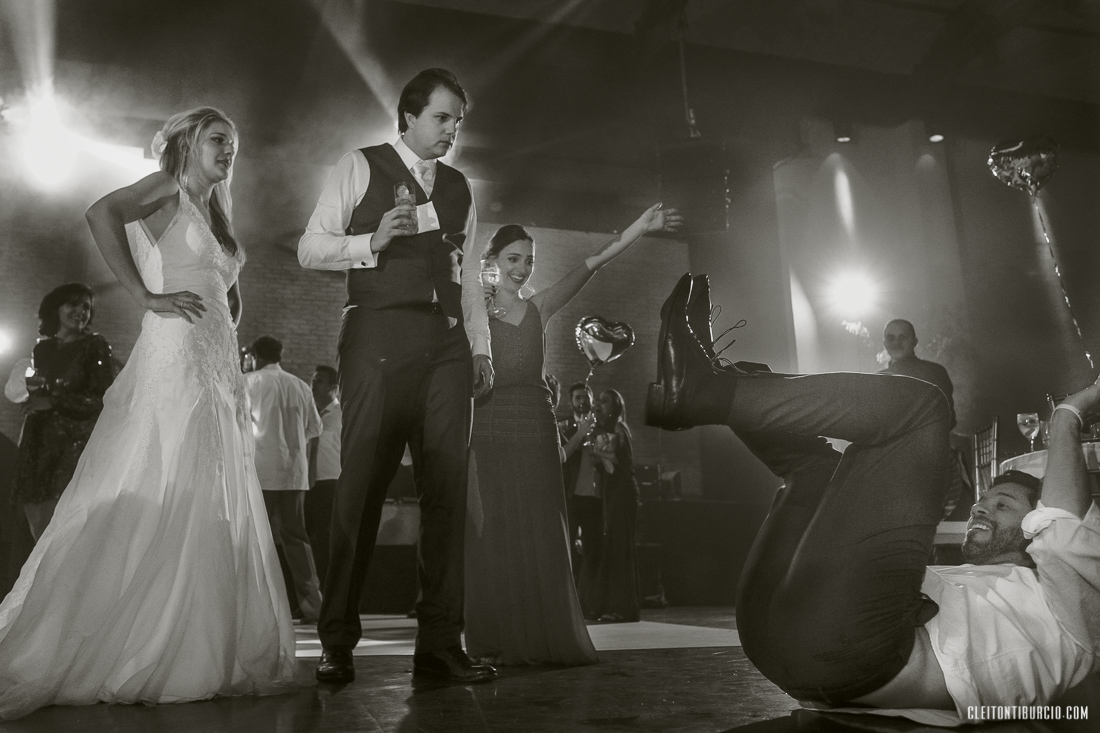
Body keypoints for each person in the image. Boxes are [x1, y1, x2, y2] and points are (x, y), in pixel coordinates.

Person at [645, 274, 1100, 726]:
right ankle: (721, 378)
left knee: (923, 410)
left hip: (850, 655)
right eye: (986, 499)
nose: (980, 507)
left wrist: (1067, 416)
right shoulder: (974, 581)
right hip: (778, 638)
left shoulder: (1074, 602)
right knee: (814, 472)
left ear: (1034, 530)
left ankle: (703, 391)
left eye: (1003, 506)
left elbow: (1062, 527)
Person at [0, 107, 305, 720]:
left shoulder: (216, 210)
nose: (229, 152)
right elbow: (100, 212)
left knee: (204, 489)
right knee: (163, 475)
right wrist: (145, 295)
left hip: (214, 363)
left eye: (235, 144)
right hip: (176, 356)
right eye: (219, 140)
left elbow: (222, 285)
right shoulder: (168, 187)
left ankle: (199, 642)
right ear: (189, 143)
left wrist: (227, 323)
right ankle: (136, 636)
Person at [298, 68, 495, 685]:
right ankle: (337, 642)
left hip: (447, 348)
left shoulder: (463, 186)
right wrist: (371, 238)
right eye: (442, 118)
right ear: (408, 116)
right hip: (378, 339)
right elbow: (309, 249)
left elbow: (465, 276)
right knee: (360, 492)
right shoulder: (358, 165)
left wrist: (481, 347)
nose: (452, 131)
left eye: (458, 121)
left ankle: (439, 642)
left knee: (446, 494)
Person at [464, 203, 680, 666]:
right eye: (513, 259)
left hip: (536, 431)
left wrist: (639, 228)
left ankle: (542, 635)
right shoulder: (472, 314)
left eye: (528, 260)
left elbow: (593, 263)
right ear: (492, 261)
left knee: (542, 532)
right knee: (492, 530)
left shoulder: (539, 308)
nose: (522, 269)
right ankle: (497, 636)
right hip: (488, 427)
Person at [11, 284, 116, 540]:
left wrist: (54, 402)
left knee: (58, 535)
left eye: (86, 307)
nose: (81, 312)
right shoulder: (42, 350)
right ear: (55, 308)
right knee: (36, 529)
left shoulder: (95, 346)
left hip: (70, 447)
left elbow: (104, 399)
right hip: (36, 444)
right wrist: (37, 398)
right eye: (74, 304)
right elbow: (41, 390)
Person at [245, 335, 324, 623]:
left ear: (255, 356)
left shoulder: (249, 382)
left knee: (255, 538)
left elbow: (239, 426)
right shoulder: (300, 385)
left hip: (262, 473)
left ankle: (256, 608)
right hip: (294, 473)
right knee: (297, 541)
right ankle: (314, 607)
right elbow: (315, 428)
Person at [586, 388, 641, 623]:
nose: (600, 404)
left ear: (615, 407)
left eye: (605, 401)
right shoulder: (602, 430)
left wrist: (600, 453)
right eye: (599, 400)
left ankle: (624, 608)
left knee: (621, 548)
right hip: (611, 492)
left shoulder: (620, 428)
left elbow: (625, 464)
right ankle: (610, 605)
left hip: (624, 492)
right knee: (613, 547)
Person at [558, 381, 599, 588]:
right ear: (571, 401)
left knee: (594, 549)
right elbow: (563, 456)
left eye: (585, 396)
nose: (582, 401)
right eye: (578, 397)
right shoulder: (562, 426)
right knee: (568, 548)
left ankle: (590, 598)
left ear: (592, 398)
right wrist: (580, 433)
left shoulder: (602, 424)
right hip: (571, 495)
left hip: (595, 497)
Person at [880, 319, 955, 429]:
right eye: (891, 338)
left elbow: (947, 419)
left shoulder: (934, 373)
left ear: (915, 341)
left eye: (903, 337)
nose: (896, 342)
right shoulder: (877, 380)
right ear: (885, 343)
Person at [306, 364, 342, 587]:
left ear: (333, 388)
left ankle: (331, 590)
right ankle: (314, 593)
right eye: (313, 380)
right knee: (310, 538)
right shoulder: (309, 415)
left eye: (318, 380)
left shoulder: (342, 415)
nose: (313, 384)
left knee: (326, 539)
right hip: (308, 484)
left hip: (332, 483)